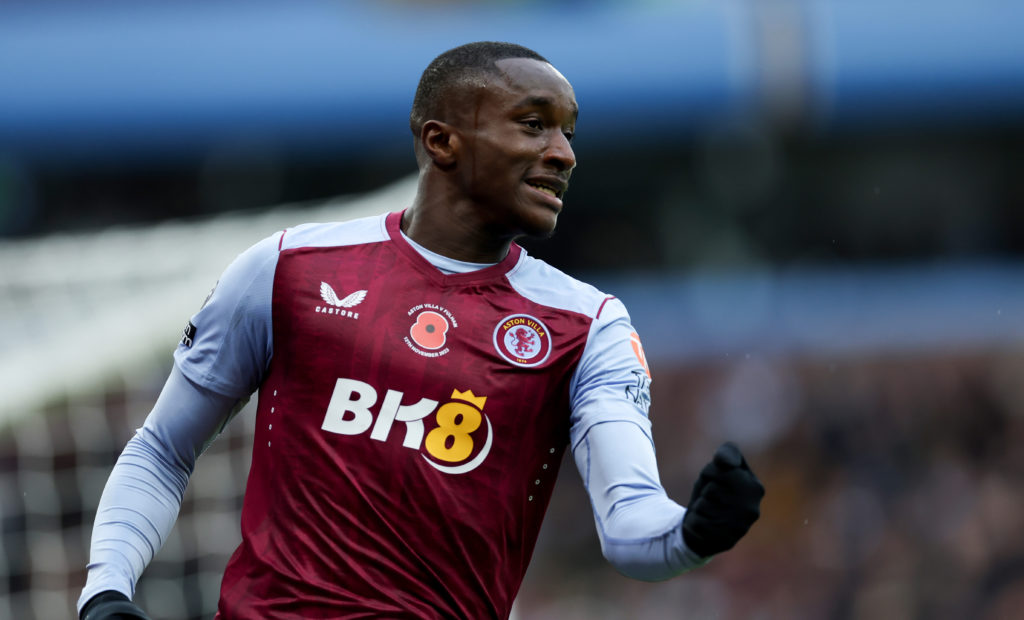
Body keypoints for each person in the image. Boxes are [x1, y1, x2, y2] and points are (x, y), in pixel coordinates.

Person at [78, 41, 764, 620]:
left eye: (568, 134)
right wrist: (106, 589)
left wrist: (693, 533)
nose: (563, 154)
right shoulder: (286, 269)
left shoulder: (588, 327)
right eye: (533, 125)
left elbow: (630, 527)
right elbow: (163, 450)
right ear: (442, 141)